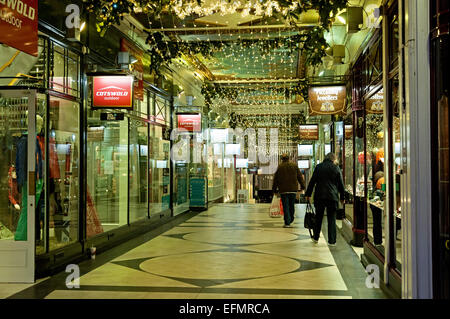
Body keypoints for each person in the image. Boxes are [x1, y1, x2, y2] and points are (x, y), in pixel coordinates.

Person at [305, 152, 345, 246]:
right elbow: (341, 184)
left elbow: (312, 181)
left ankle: (316, 237)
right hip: (332, 197)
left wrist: (308, 194)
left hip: (320, 196)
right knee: (331, 218)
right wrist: (342, 197)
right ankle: (332, 241)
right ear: (333, 159)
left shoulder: (319, 167)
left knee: (319, 217)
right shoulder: (336, 168)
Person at [272, 154, 306, 228]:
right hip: (293, 189)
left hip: (283, 190)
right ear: (288, 158)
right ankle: (291, 218)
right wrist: (303, 186)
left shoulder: (280, 167)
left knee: (285, 206)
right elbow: (300, 177)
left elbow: (276, 179)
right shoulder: (294, 166)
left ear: (282, 159)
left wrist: (274, 189)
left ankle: (287, 222)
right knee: (291, 205)